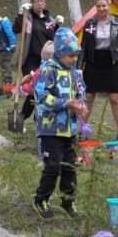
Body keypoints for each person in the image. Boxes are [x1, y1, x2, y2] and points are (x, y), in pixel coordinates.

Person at [32, 27, 87, 219]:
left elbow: (81, 93)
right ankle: (41, 198)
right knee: (53, 166)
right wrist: (65, 103)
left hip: (70, 129)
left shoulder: (75, 73)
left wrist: (81, 106)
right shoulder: (48, 71)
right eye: (71, 56)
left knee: (69, 167)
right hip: (50, 129)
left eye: (76, 55)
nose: (74, 59)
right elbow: (41, 98)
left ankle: (68, 201)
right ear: (61, 53)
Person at [76, 0, 118, 140]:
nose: (102, 8)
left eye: (104, 5)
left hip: (110, 63)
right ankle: (83, 131)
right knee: (89, 96)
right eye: (99, 6)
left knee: (114, 98)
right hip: (93, 63)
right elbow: (84, 46)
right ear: (95, 8)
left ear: (109, 6)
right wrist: (79, 66)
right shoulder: (89, 23)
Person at [12, 0, 63, 130]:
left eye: (42, 1)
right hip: (30, 59)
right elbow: (15, 29)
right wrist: (21, 14)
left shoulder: (49, 20)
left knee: (45, 89)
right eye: (37, 1)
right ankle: (23, 116)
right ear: (33, 3)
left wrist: (57, 25)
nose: (40, 4)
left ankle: (38, 116)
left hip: (46, 61)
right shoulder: (28, 18)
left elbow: (55, 38)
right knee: (34, 89)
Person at [19, 40, 54, 167]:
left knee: (41, 126)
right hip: (39, 100)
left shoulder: (42, 70)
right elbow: (33, 86)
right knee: (41, 128)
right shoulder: (44, 71)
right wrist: (26, 85)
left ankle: (43, 155)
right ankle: (42, 157)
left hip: (41, 102)